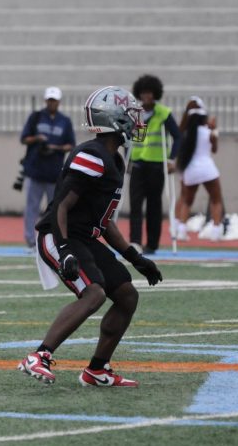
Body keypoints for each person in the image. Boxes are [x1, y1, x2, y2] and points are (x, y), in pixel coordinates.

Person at [18, 86, 162, 387]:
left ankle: (97, 369)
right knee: (94, 293)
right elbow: (61, 206)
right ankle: (39, 355)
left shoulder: (114, 159)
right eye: (130, 116)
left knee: (126, 295)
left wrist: (134, 257)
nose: (136, 122)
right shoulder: (92, 156)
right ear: (115, 120)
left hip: (84, 237)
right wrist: (65, 249)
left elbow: (104, 221)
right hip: (60, 235)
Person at [129, 75, 182, 254]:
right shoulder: (135, 113)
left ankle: (152, 244)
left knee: (154, 205)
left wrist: (172, 159)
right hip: (137, 164)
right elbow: (130, 139)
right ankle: (135, 241)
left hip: (157, 165)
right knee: (135, 204)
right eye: (143, 93)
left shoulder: (163, 113)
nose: (146, 96)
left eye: (150, 93)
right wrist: (127, 160)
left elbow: (178, 136)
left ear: (155, 94)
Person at [19, 86, 75, 251]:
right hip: (35, 171)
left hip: (54, 173)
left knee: (55, 209)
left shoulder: (65, 121)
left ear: (59, 102)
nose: (52, 103)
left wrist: (56, 148)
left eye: (55, 100)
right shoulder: (36, 117)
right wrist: (37, 139)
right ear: (46, 100)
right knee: (32, 208)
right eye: (49, 100)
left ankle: (51, 240)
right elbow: (24, 139)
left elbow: (71, 145)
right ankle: (30, 241)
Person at [174, 99, 224, 241]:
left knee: (187, 201)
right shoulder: (208, 131)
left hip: (191, 170)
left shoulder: (185, 134)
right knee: (216, 200)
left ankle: (182, 230)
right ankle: (216, 231)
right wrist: (214, 129)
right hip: (208, 170)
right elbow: (214, 149)